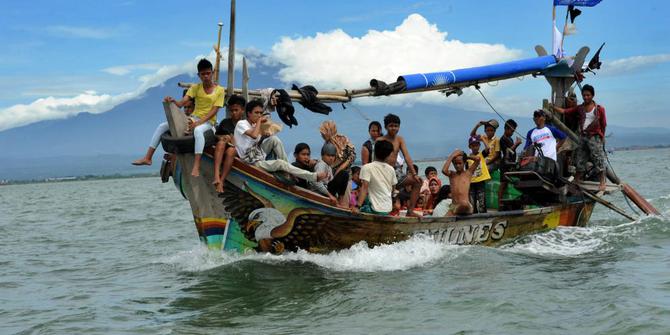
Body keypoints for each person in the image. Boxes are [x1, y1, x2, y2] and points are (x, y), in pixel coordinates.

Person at [234, 100, 326, 183]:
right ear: (249, 113)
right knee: (280, 164)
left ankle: (287, 169)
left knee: (274, 139)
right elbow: (253, 135)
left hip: (256, 153)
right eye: (256, 113)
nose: (259, 115)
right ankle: (314, 177)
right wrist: (259, 122)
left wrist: (264, 136)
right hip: (250, 160)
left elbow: (255, 143)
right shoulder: (241, 123)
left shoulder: (256, 126)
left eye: (261, 113)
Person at [167, 59, 224, 177]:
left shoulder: (220, 90)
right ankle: (148, 157)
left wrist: (198, 123)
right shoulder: (195, 88)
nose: (206, 76)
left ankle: (196, 166)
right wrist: (173, 101)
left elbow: (214, 111)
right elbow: (182, 103)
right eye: (203, 74)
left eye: (208, 73)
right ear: (199, 75)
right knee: (164, 126)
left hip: (209, 123)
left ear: (212, 73)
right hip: (194, 119)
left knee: (198, 131)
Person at [552, 84, 608, 192]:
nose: (586, 97)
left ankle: (602, 182)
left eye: (588, 95)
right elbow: (566, 111)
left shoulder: (599, 109)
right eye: (584, 95)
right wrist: (553, 107)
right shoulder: (580, 108)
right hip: (583, 137)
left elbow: (603, 124)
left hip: (594, 137)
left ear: (592, 95)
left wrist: (602, 137)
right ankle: (576, 180)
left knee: (598, 160)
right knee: (580, 159)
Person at [132, 90, 194, 167]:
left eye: (189, 107)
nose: (187, 110)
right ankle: (148, 158)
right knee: (162, 126)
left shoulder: (200, 113)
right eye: (185, 107)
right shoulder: (181, 118)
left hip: (196, 126)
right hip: (183, 128)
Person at [377, 114, 422, 216]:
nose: (394, 128)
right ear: (386, 127)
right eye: (391, 125)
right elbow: (375, 160)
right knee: (393, 204)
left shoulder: (399, 139)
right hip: (383, 172)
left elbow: (407, 157)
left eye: (396, 126)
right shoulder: (380, 140)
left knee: (418, 182)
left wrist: (414, 174)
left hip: (396, 171)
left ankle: (410, 211)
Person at [353, 139, 397, 215]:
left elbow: (364, 188)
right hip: (388, 208)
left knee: (361, 201)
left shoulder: (367, 167)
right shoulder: (391, 169)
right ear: (388, 155)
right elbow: (393, 189)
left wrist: (357, 207)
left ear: (374, 152)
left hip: (374, 209)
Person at [212, 95, 245, 193]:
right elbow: (216, 135)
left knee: (231, 151)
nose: (233, 113)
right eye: (231, 111)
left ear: (242, 110)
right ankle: (216, 175)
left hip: (237, 151)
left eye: (236, 110)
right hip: (223, 149)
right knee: (221, 143)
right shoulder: (225, 122)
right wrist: (223, 137)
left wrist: (234, 141)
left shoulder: (245, 124)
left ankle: (221, 181)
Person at [442, 149, 481, 215]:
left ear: (464, 162)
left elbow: (477, 159)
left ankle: (457, 211)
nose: (457, 166)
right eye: (455, 164)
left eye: (460, 163)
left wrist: (464, 155)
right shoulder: (452, 174)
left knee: (463, 204)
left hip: (466, 206)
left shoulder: (468, 173)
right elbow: (444, 170)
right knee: (444, 221)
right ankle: (455, 211)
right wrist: (452, 155)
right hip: (454, 206)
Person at [498, 119, 523, 209]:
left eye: (513, 131)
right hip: (505, 164)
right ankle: (499, 204)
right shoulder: (502, 139)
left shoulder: (510, 139)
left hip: (510, 164)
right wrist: (516, 144)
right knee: (503, 184)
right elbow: (508, 151)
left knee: (507, 184)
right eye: (511, 130)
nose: (512, 132)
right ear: (506, 129)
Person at [467, 136, 491, 213]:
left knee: (482, 201)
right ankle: (474, 216)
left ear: (479, 146)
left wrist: (483, 139)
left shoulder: (482, 154)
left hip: (480, 182)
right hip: (471, 183)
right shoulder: (468, 158)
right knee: (472, 202)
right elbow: (466, 171)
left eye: (477, 145)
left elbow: (488, 148)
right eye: (473, 145)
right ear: (470, 146)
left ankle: (484, 217)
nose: (475, 147)